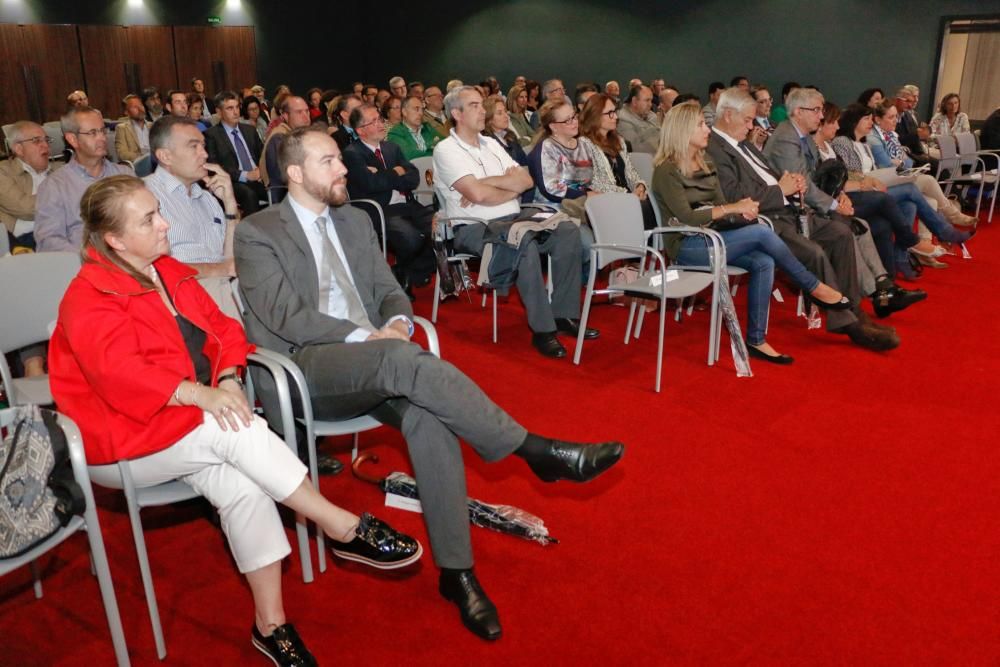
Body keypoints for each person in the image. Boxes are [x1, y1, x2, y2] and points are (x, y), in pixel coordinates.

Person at [235, 126, 624, 640]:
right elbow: (287, 316)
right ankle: (534, 450)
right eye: (329, 161)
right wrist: (367, 336)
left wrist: (395, 321)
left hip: (380, 355)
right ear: (295, 173)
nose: (343, 168)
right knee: (402, 362)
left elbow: (390, 289)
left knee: (428, 416)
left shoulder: (352, 219)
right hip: (307, 367)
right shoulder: (258, 231)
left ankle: (457, 574)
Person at [50, 174, 422, 666]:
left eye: (158, 211)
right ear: (115, 240)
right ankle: (340, 525)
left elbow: (225, 327)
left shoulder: (167, 270)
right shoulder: (89, 297)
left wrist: (226, 378)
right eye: (149, 219)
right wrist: (201, 395)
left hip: (191, 423)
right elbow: (120, 377)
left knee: (242, 484)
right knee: (236, 427)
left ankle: (271, 626)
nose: (165, 224)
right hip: (126, 433)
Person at [652, 102, 852, 365]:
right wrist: (731, 208)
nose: (707, 130)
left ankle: (756, 340)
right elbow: (687, 217)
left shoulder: (706, 162)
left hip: (715, 238)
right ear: (682, 130)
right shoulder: (666, 170)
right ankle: (813, 286)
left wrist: (741, 211)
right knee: (761, 233)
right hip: (688, 246)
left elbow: (721, 206)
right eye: (701, 125)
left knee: (764, 260)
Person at [706, 88, 899, 350]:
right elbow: (734, 196)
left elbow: (771, 174)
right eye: (748, 120)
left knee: (842, 234)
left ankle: (854, 310)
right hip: (762, 219)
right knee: (814, 252)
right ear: (728, 115)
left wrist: (791, 183)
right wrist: (780, 190)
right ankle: (849, 323)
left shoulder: (745, 144)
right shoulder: (715, 149)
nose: (752, 125)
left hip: (787, 210)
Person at [433, 86, 595, 358]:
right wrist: (504, 186)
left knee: (567, 230)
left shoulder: (491, 143)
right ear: (456, 113)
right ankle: (544, 330)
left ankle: (564, 315)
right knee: (523, 243)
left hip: (514, 218)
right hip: (472, 227)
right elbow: (477, 194)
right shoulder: (446, 150)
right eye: (474, 105)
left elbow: (526, 180)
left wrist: (491, 184)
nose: (482, 110)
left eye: (480, 105)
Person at [812, 102, 929, 308]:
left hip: (843, 200)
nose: (837, 127)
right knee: (890, 197)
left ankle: (889, 289)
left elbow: (842, 178)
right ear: (820, 124)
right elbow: (821, 187)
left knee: (884, 224)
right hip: (828, 209)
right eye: (833, 122)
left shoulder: (830, 147)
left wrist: (859, 184)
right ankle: (910, 240)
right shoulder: (815, 149)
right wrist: (856, 187)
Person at [831, 104, 973, 258]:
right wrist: (869, 178)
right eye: (866, 119)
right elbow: (845, 173)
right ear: (853, 121)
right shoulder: (842, 142)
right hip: (859, 192)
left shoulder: (864, 144)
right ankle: (943, 232)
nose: (870, 123)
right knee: (911, 188)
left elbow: (901, 162)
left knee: (910, 203)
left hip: (874, 186)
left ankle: (902, 258)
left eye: (871, 119)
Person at [344, 103, 435, 297]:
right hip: (380, 209)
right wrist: (396, 172)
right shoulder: (352, 154)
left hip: (407, 204)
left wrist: (384, 175)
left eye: (380, 119)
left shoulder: (391, 148)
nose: (380, 124)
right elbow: (371, 185)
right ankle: (403, 274)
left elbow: (413, 177)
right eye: (373, 121)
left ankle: (408, 272)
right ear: (360, 130)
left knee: (440, 227)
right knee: (410, 238)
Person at [34, 107, 133, 252]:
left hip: (130, 259)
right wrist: (90, 258)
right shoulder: (55, 186)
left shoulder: (125, 175)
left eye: (102, 130)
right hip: (84, 264)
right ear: (72, 139)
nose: (102, 138)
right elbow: (48, 241)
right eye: (93, 133)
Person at [869, 102, 977, 227]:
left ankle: (924, 240)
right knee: (929, 180)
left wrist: (899, 162)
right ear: (877, 120)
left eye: (896, 116)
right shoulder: (874, 138)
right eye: (891, 117)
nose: (896, 121)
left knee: (931, 202)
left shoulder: (891, 135)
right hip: (885, 181)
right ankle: (953, 215)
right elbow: (886, 165)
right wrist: (899, 162)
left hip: (900, 175)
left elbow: (908, 162)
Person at [578, 94, 655, 229]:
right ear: (595, 116)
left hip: (628, 199)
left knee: (656, 203)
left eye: (615, 112)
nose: (616, 117)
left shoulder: (618, 141)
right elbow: (594, 183)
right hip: (605, 203)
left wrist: (639, 187)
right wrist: (628, 196)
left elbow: (630, 172)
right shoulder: (583, 144)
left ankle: (653, 247)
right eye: (610, 113)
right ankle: (648, 248)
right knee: (644, 209)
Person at [204, 91, 267, 214]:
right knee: (249, 194)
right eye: (230, 108)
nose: (236, 112)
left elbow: (263, 154)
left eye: (237, 107)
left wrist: (261, 169)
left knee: (280, 188)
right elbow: (214, 166)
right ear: (219, 111)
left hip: (258, 177)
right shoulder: (211, 135)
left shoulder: (249, 130)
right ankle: (251, 232)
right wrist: (245, 175)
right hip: (234, 181)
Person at [386, 95, 442, 160]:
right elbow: (410, 155)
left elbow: (445, 144)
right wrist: (434, 151)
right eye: (416, 109)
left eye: (422, 110)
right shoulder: (395, 133)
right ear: (404, 112)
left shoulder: (427, 127)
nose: (420, 113)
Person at [616, 84, 660, 154]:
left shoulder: (651, 115)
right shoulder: (622, 119)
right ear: (634, 101)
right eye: (647, 100)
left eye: (651, 101)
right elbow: (635, 148)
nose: (650, 104)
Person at [116, 94, 152, 163]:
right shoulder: (122, 128)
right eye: (135, 107)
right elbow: (122, 154)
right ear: (126, 112)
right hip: (137, 164)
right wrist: (143, 157)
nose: (140, 109)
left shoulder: (153, 125)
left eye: (141, 105)